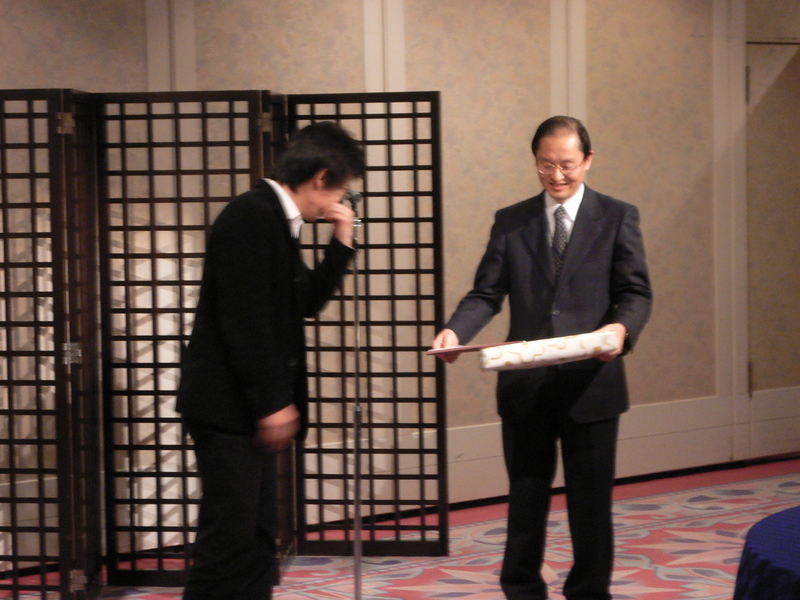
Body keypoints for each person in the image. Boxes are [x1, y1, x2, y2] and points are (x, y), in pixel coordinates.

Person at [432, 116, 652, 600]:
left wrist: (621, 329)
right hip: (526, 384)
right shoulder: (512, 221)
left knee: (591, 505)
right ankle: (522, 589)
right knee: (525, 500)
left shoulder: (618, 216)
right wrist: (455, 330)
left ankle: (589, 592)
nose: (556, 175)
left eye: (567, 165)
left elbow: (636, 293)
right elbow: (486, 293)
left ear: (588, 160)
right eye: (545, 165)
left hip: (592, 382)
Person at [176, 121, 365, 600]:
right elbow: (246, 322)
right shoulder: (252, 215)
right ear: (320, 178)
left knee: (258, 538)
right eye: (341, 189)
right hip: (228, 408)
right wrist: (272, 403)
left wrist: (342, 241)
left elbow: (305, 302)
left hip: (245, 408)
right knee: (228, 541)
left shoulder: (277, 221)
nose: (341, 199)